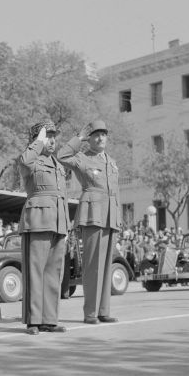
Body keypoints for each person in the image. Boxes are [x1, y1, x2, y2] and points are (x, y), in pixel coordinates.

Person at [57, 120, 122, 324]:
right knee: (93, 265)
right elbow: (61, 156)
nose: (100, 138)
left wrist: (119, 218)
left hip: (110, 216)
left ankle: (103, 310)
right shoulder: (83, 158)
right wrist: (79, 138)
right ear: (90, 138)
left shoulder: (110, 161)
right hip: (93, 214)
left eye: (103, 134)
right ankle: (91, 313)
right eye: (95, 135)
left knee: (105, 266)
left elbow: (115, 192)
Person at [18, 121, 70, 335]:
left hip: (57, 221)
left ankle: (49, 319)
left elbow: (62, 196)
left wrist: (66, 225)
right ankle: (33, 319)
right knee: (35, 271)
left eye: (53, 137)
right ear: (36, 139)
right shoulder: (31, 159)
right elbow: (23, 162)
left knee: (53, 272)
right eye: (47, 136)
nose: (52, 140)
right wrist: (37, 142)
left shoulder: (57, 164)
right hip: (38, 219)